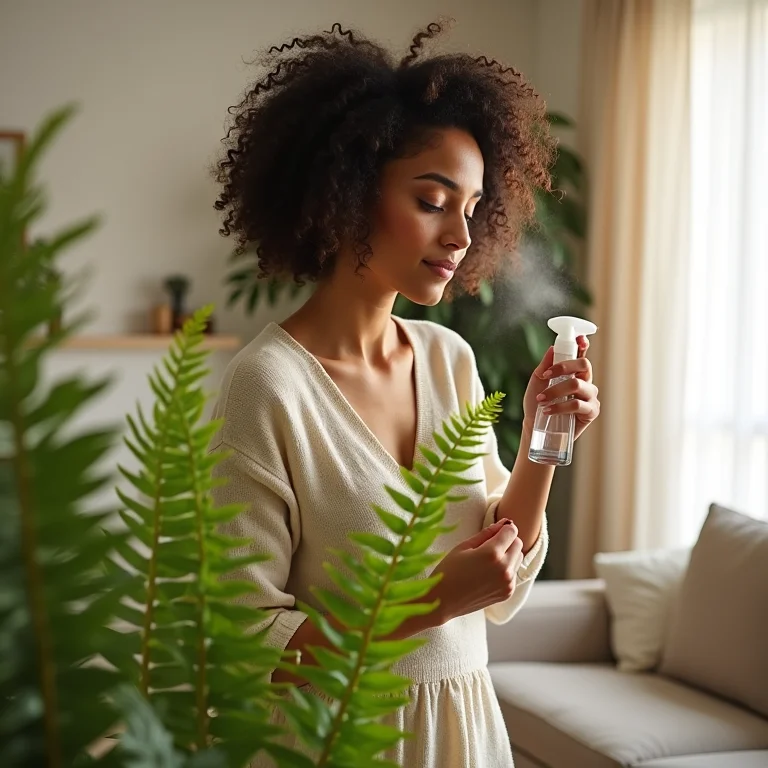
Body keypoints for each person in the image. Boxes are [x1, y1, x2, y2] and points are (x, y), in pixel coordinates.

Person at [208, 19, 600, 768]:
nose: (459, 233)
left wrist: (541, 447)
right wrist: (430, 601)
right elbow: (248, 641)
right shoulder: (267, 387)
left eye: (473, 207)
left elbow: (501, 576)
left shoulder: (448, 357)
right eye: (432, 199)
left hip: (464, 733)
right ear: (349, 192)